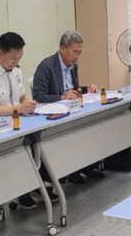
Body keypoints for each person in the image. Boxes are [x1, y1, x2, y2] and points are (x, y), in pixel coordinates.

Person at [0, 32, 56, 209]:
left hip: (20, 124)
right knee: (28, 147)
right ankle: (23, 189)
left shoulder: (16, 71)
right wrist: (19, 109)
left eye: (19, 58)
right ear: (0, 53)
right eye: (13, 58)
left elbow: (22, 98)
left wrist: (31, 105)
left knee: (46, 138)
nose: (16, 62)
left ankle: (36, 183)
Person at [32, 30, 105, 183]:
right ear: (63, 48)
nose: (77, 57)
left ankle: (85, 166)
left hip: (71, 110)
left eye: (80, 52)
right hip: (53, 116)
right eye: (75, 52)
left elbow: (73, 89)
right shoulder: (46, 66)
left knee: (92, 124)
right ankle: (69, 170)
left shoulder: (72, 66)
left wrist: (86, 89)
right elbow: (38, 97)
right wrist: (62, 97)